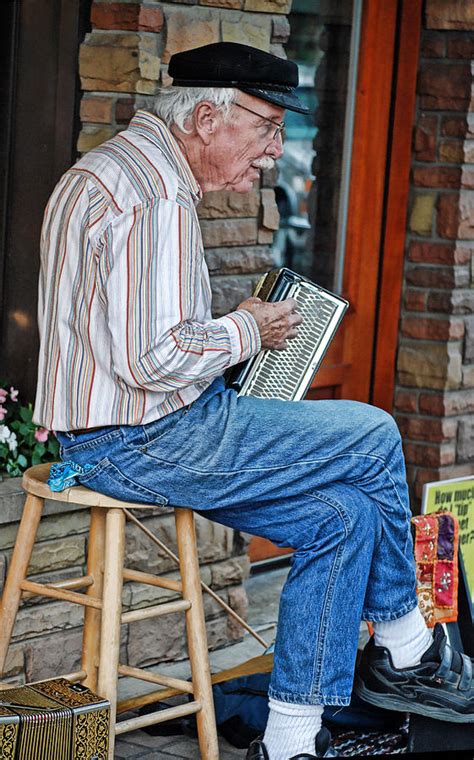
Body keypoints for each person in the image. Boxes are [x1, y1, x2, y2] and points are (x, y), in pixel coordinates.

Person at [33, 42, 474, 760]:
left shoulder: (117, 171)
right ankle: (408, 648)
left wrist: (229, 332)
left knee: (346, 515)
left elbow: (135, 339)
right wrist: (249, 329)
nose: (275, 150)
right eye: (267, 127)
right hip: (144, 436)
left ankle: (290, 743)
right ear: (208, 117)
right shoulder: (154, 196)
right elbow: (154, 360)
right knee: (374, 432)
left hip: (120, 432)